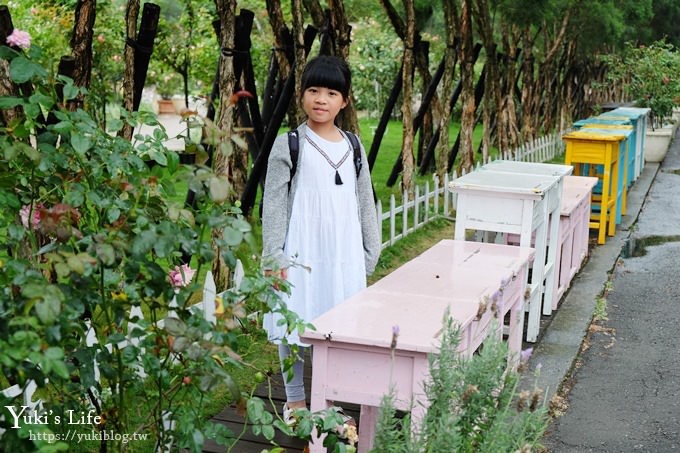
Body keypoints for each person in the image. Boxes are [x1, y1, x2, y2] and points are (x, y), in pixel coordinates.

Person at [261, 55, 381, 428]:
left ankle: (332, 398)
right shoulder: (290, 144)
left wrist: (368, 251)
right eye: (313, 90)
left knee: (340, 328)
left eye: (331, 92)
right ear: (302, 95)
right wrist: (273, 254)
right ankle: (295, 400)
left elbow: (365, 201)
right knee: (292, 323)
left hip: (342, 253)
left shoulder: (354, 145)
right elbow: (274, 204)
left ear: (344, 101)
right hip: (301, 250)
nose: (321, 99)